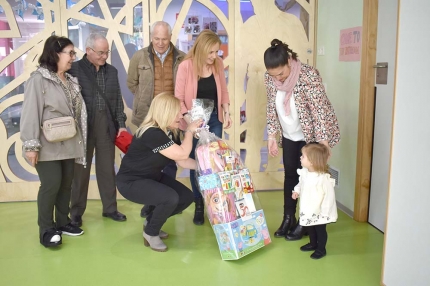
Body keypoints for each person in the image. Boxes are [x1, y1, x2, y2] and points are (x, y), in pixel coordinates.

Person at [263, 39, 340, 241]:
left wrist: (322, 141)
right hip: (289, 134)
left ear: (289, 61)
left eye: (281, 73)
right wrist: (272, 135)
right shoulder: (270, 78)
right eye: (273, 75)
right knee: (291, 175)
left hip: (311, 135)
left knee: (310, 179)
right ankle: (288, 217)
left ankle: (306, 222)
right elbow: (271, 107)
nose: (277, 79)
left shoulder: (308, 75)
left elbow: (319, 109)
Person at [20, 35, 87, 247]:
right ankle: (46, 230)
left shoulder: (71, 80)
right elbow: (31, 113)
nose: (73, 57)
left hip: (69, 141)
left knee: (66, 185)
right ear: (56, 53)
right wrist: (31, 145)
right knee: (51, 185)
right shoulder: (39, 80)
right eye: (70, 53)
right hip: (47, 144)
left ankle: (63, 222)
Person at [116, 93, 202, 252]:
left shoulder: (170, 132)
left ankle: (151, 222)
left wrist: (206, 166)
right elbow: (183, 154)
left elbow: (182, 161)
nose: (180, 116)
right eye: (177, 112)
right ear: (166, 112)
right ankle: (150, 232)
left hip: (151, 177)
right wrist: (189, 132)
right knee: (170, 198)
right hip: (131, 182)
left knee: (186, 197)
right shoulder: (152, 133)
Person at [127, 21, 186, 218]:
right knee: (149, 162)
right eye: (156, 39)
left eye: (165, 39)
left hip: (172, 119)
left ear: (171, 38)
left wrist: (171, 110)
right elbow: (131, 83)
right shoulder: (139, 56)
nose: (160, 43)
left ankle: (159, 203)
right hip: (148, 117)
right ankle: (151, 200)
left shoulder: (181, 58)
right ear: (152, 37)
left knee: (169, 162)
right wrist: (151, 105)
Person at [68, 33, 127, 227]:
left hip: (106, 124)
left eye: (107, 52)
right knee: (80, 171)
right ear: (88, 51)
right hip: (82, 127)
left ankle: (110, 208)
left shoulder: (112, 71)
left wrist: (121, 124)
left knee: (107, 169)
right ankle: (75, 212)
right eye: (101, 53)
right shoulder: (74, 69)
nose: (104, 56)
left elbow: (118, 100)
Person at [175, 29, 233, 225]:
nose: (214, 56)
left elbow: (223, 90)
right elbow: (178, 98)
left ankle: (213, 202)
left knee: (212, 162)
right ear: (201, 49)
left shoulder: (217, 64)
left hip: (214, 119)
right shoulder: (186, 66)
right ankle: (198, 203)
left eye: (216, 52)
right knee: (196, 162)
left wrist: (227, 110)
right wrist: (190, 119)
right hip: (194, 120)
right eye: (210, 52)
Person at [292, 143, 338, 259]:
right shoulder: (305, 173)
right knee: (310, 227)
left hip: (320, 211)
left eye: (303, 156)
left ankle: (321, 249)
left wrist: (325, 212)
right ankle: (313, 244)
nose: (300, 157)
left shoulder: (323, 178)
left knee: (320, 230)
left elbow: (329, 197)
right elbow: (300, 184)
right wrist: (296, 191)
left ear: (312, 161)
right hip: (308, 208)